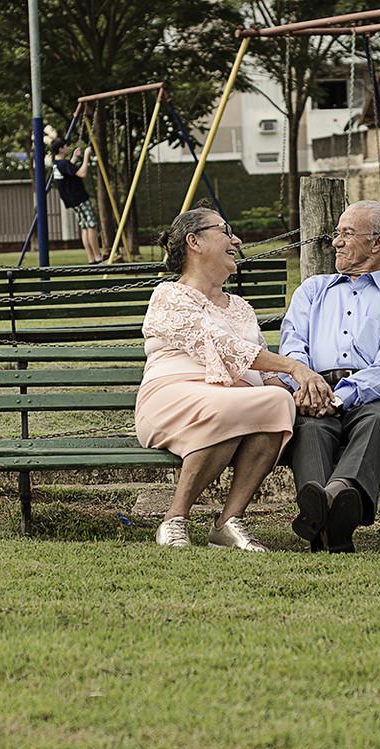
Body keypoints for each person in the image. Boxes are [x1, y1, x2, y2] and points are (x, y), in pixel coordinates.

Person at [136, 208, 331, 551]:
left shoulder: (241, 307)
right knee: (234, 404)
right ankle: (174, 518)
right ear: (193, 242)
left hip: (233, 399)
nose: (237, 240)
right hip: (170, 399)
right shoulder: (170, 295)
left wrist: (294, 393)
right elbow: (221, 347)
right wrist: (296, 368)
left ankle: (228, 522)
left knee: (277, 402)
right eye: (226, 231)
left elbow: (268, 374)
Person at [278, 200, 380, 553]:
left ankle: (324, 505)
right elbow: (292, 347)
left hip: (370, 399)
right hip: (313, 393)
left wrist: (340, 396)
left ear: (377, 243)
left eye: (345, 233)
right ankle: (336, 516)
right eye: (336, 233)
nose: (336, 242)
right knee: (308, 428)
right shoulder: (312, 291)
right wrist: (308, 387)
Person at [50, 137, 102, 264]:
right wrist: (86, 156)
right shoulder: (64, 164)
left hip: (72, 201)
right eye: (67, 146)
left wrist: (74, 158)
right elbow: (82, 173)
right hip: (80, 198)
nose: (69, 148)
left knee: (85, 227)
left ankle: (91, 258)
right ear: (61, 149)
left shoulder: (56, 165)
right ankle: (98, 257)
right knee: (92, 226)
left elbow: (68, 171)